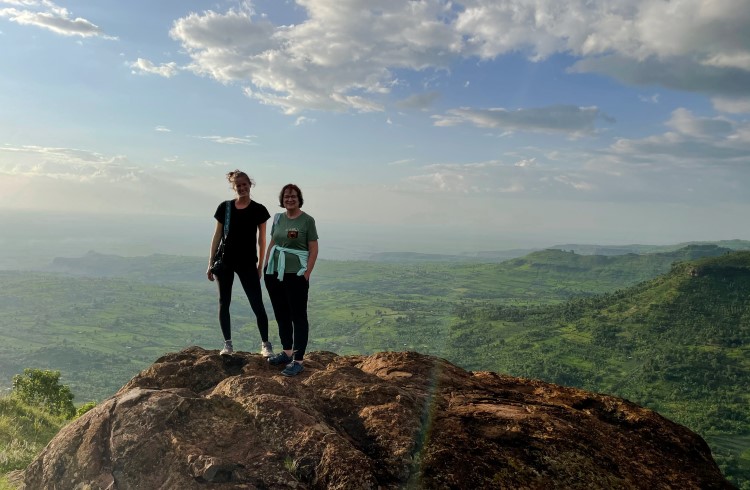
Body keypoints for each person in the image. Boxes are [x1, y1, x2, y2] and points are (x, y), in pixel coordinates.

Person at [207, 170, 274, 358]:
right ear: (233, 187)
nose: (242, 188)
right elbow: (217, 236)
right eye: (238, 185)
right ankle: (227, 344)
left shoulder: (259, 210)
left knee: (257, 304)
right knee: (224, 302)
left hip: (247, 263)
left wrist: (261, 265)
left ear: (250, 185)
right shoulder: (225, 208)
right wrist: (210, 263)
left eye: (245, 184)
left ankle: (265, 344)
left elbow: (261, 240)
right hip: (225, 261)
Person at [264, 184, 319, 376]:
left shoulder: (307, 221)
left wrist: (307, 273)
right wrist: (265, 266)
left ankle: (298, 360)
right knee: (281, 313)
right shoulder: (278, 218)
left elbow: (313, 248)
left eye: (293, 196)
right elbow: (273, 242)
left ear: (299, 198)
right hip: (274, 273)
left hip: (296, 275)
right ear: (282, 199)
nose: (290, 199)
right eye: (286, 196)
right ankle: (287, 352)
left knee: (298, 316)